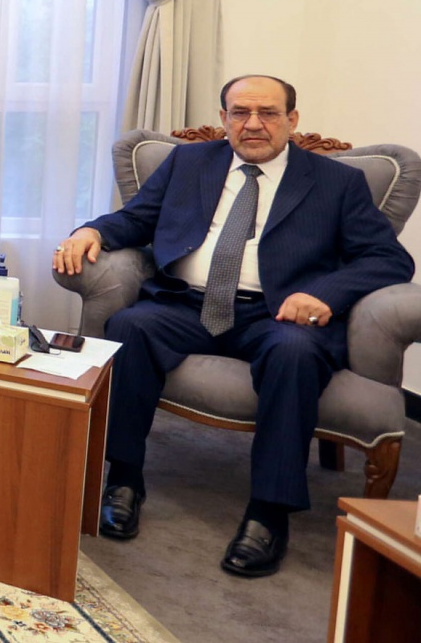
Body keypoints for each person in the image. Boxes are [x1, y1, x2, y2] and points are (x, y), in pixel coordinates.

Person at [53, 75, 414, 577]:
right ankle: (124, 479)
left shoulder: (337, 183)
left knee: (294, 353)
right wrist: (91, 230)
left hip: (276, 313)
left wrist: (324, 295)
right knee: (130, 327)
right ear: (223, 119)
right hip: (186, 304)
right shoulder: (188, 163)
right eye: (240, 112)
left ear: (292, 119)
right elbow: (137, 219)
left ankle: (269, 511)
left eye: (268, 113)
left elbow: (389, 259)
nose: (253, 124)